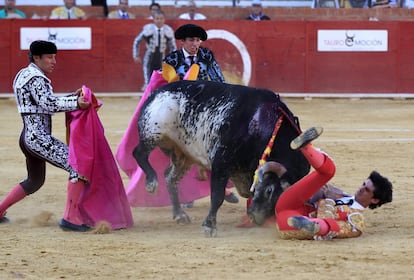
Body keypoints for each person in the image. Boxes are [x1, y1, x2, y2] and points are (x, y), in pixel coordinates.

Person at [0, 40, 90, 228]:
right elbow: (48, 104)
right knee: (78, 165)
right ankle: (70, 218)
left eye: (54, 57)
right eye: (49, 57)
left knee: (35, 181)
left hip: (27, 137)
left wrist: (71, 98)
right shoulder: (36, 78)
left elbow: (42, 103)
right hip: (39, 139)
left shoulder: (24, 74)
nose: (53, 61)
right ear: (36, 58)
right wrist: (76, 103)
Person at [163, 23, 237, 206]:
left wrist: (227, 96)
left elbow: (218, 78)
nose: (195, 44)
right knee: (184, 152)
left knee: (216, 145)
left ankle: (220, 186)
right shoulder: (171, 59)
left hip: (205, 107)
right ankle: (190, 193)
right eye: (191, 40)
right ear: (182, 42)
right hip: (182, 111)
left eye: (197, 40)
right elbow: (166, 86)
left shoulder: (206, 55)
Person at [275, 126, 393, 240]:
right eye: (363, 184)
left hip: (289, 223)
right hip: (289, 204)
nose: (361, 189)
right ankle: (306, 146)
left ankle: (314, 225)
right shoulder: (340, 194)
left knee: (333, 226)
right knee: (329, 172)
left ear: (375, 200)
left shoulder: (356, 219)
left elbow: (339, 231)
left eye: (367, 189)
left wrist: (327, 202)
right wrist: (318, 190)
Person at [132, 9, 176, 91]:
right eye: (157, 18)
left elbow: (173, 46)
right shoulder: (148, 28)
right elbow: (137, 41)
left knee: (161, 76)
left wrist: (172, 59)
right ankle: (147, 94)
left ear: (164, 19)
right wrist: (136, 55)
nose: (159, 21)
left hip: (161, 56)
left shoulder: (168, 30)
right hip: (149, 55)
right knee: (147, 75)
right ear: (153, 19)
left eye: (161, 18)